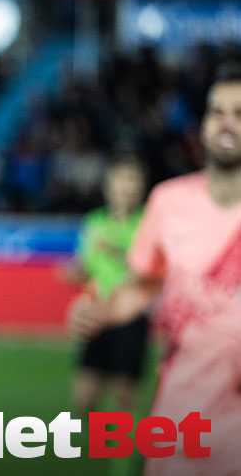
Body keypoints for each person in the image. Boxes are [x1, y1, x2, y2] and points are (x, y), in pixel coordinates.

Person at [70, 63, 241, 474]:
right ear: (201, 125)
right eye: (217, 111)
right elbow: (145, 285)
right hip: (183, 417)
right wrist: (101, 310)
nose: (227, 122)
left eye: (240, 113)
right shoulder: (168, 202)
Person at [66, 158, 149, 415]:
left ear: (140, 189)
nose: (124, 189)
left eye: (130, 182)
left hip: (130, 316)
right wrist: (75, 271)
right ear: (108, 187)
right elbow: (85, 264)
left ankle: (121, 450)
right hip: (97, 313)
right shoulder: (94, 222)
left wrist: (114, 250)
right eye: (119, 182)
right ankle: (104, 444)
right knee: (84, 401)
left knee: (124, 396)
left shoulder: (146, 223)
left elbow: (148, 267)